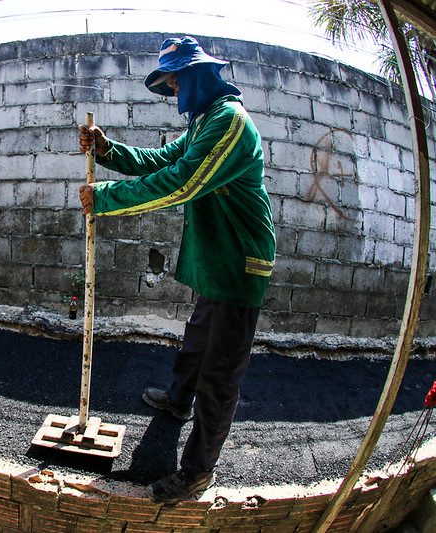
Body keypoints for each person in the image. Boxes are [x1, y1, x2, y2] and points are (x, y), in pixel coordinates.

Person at [78, 36, 275, 504]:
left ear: (196, 76)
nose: (171, 92)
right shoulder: (208, 121)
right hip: (218, 259)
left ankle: (197, 472)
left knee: (220, 375)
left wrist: (105, 199)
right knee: (196, 342)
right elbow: (160, 160)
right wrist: (108, 150)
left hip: (240, 264)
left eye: (173, 81)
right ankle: (177, 401)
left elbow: (182, 182)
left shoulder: (230, 122)